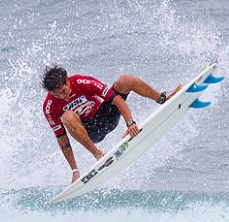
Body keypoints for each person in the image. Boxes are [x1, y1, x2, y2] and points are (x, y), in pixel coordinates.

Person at [41, 65, 181, 183]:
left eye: (63, 91)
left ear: (67, 81)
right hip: (90, 132)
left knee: (126, 80)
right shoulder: (49, 106)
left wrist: (130, 123)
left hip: (107, 116)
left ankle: (163, 99)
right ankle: (98, 155)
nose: (62, 96)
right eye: (56, 94)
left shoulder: (82, 82)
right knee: (67, 117)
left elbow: (116, 99)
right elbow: (62, 139)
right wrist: (74, 170)